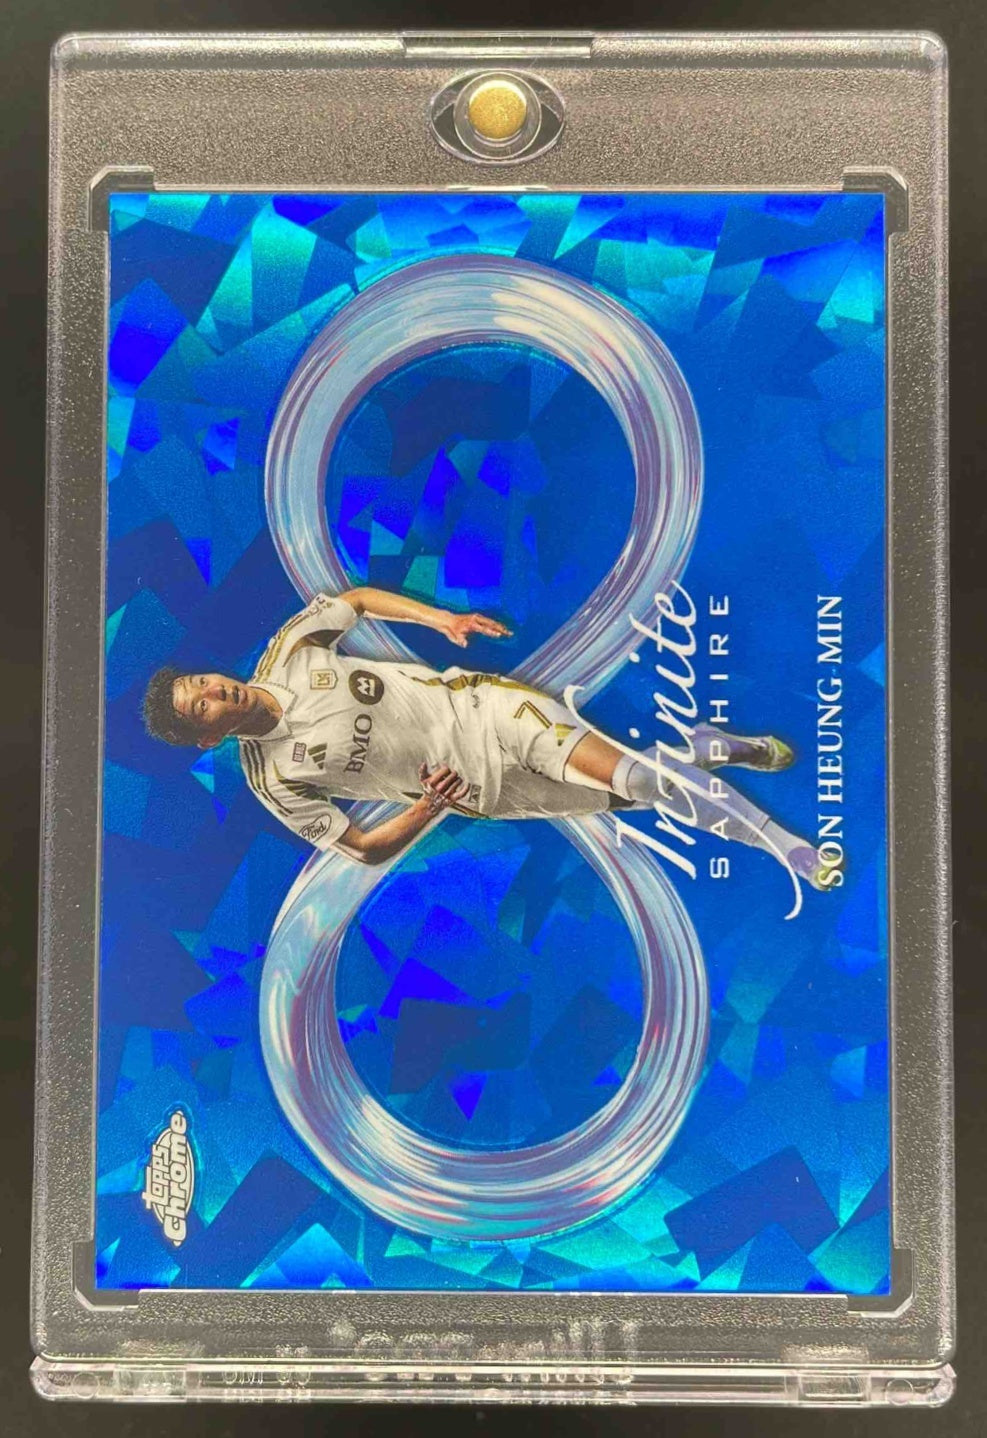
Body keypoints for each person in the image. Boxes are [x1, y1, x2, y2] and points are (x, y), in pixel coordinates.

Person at [143, 586, 833, 889]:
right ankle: (707, 746)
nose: (215, 692)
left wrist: (440, 619)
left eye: (202, 681)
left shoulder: (290, 651)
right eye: (200, 708)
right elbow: (363, 849)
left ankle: (788, 847)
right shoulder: (276, 780)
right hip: (489, 792)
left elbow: (354, 601)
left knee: (635, 778)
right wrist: (428, 807)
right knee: (644, 791)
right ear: (207, 739)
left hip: (487, 711)